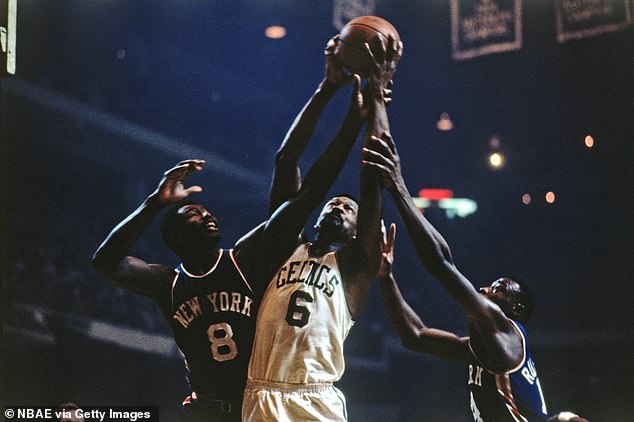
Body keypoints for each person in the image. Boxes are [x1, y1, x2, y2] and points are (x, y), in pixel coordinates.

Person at [92, 37, 371, 422]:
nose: (208, 215)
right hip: (204, 410)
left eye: (207, 211)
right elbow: (105, 261)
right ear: (173, 235)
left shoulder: (246, 257)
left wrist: (339, 107)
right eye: (193, 212)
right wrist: (154, 202)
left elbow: (300, 183)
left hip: (257, 406)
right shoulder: (168, 284)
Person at [242, 36, 403, 422]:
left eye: (348, 208)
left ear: (360, 233)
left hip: (315, 401)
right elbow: (287, 160)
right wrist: (327, 88)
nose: (337, 205)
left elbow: (373, 177)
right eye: (333, 202)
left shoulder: (355, 269)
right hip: (261, 394)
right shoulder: (283, 246)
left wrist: (377, 100)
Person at [362, 132, 548, 421]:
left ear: (516, 309)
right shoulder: (483, 348)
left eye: (499, 288)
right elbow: (416, 336)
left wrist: (398, 186)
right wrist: (386, 277)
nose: (485, 287)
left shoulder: (505, 329)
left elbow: (440, 264)